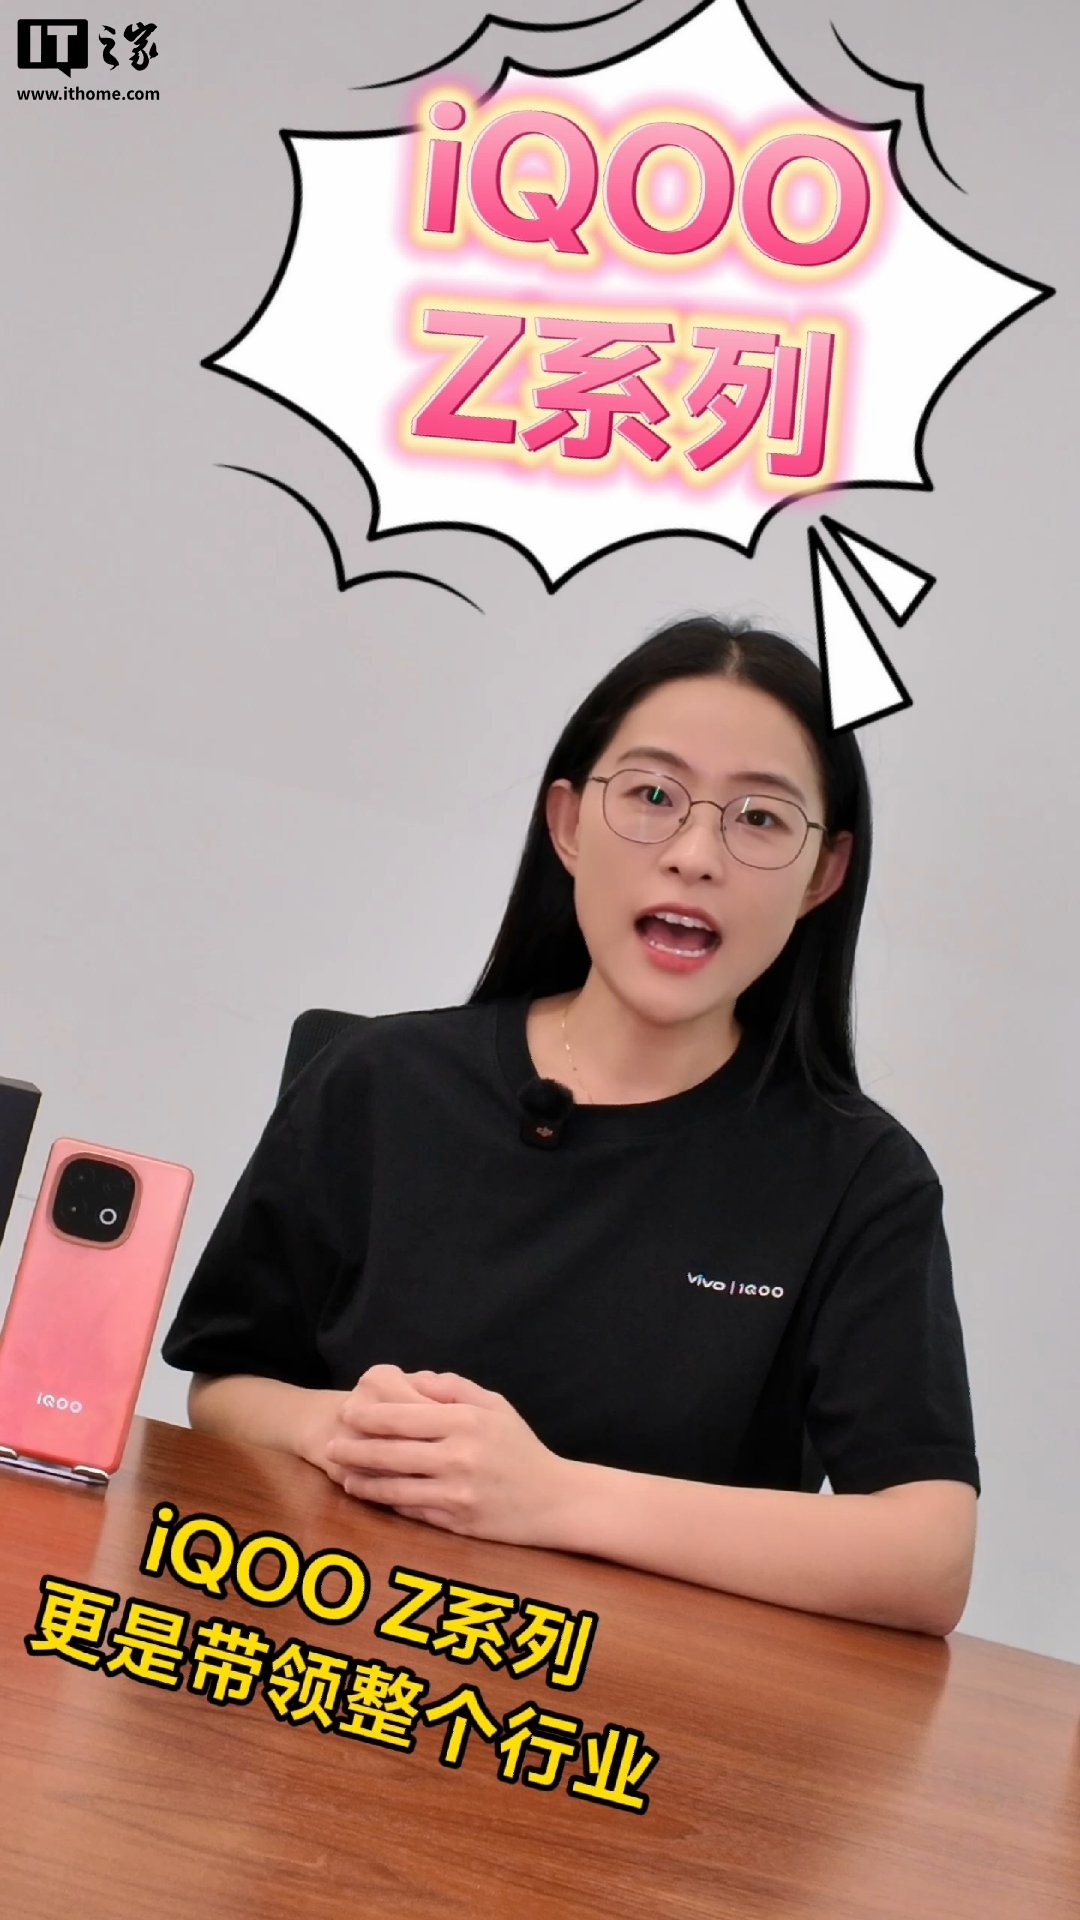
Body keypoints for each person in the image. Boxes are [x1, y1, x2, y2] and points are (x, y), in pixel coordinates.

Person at [162, 616, 979, 1637]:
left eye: (761, 819)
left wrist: (547, 1498)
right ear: (568, 824)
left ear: (824, 874)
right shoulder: (378, 1080)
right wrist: (334, 1429)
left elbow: (927, 1556)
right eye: (652, 796)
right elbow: (227, 1382)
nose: (694, 856)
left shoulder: (859, 1177)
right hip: (338, 1658)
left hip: (638, 1709)